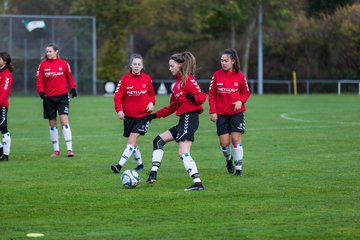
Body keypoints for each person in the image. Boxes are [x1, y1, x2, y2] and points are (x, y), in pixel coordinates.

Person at [146, 51, 207, 191]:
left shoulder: (189, 80)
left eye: (172, 66)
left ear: (180, 65)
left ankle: (198, 183)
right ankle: (153, 173)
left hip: (190, 118)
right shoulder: (176, 85)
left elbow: (202, 97)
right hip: (183, 120)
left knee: (183, 151)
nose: (170, 68)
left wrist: (194, 98)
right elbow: (171, 108)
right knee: (158, 141)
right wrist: (153, 116)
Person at [208, 48, 250, 176]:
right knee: (224, 143)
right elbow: (211, 94)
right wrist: (213, 112)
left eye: (226, 61)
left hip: (237, 113)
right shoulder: (216, 75)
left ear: (233, 61)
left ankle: (238, 168)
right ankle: (228, 160)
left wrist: (240, 101)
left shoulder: (241, 77)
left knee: (236, 140)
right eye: (222, 61)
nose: (223, 63)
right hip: (221, 114)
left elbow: (246, 92)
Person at [111, 54, 156, 174]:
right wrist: (119, 110)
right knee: (134, 143)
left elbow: (152, 95)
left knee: (131, 141)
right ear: (130, 66)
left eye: (139, 64)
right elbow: (117, 97)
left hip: (142, 117)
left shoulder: (147, 79)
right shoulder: (124, 79)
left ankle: (119, 166)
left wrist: (151, 103)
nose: (137, 66)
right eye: (135, 64)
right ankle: (140, 165)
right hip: (128, 117)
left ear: (142, 66)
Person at [36, 43, 77, 157]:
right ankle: (56, 150)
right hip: (48, 98)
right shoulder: (43, 65)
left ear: (56, 51)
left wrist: (73, 88)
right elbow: (39, 80)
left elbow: (69, 77)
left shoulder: (64, 63)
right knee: (52, 123)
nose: (48, 53)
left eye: (50, 51)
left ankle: (69, 149)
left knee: (64, 121)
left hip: (62, 96)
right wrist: (41, 91)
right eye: (47, 52)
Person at [0, 52, 13, 162]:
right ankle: (0, 149)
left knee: (3, 128)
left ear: (5, 61)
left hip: (2, 106)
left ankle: (5, 155)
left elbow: (4, 93)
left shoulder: (7, 75)